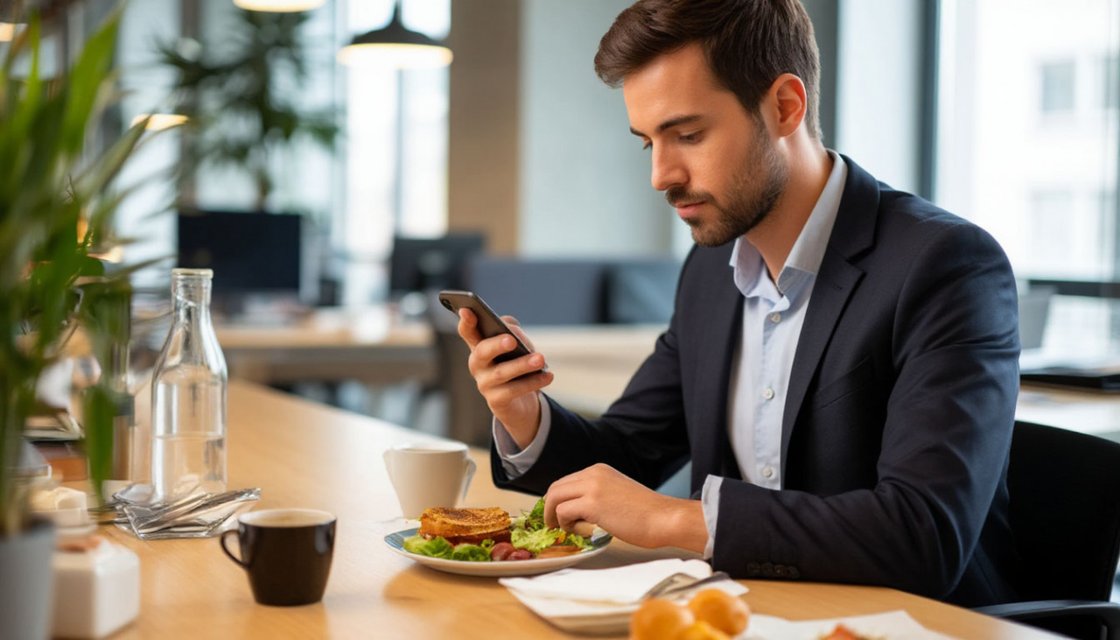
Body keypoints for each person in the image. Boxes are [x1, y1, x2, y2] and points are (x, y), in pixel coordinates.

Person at [455, 0, 1020, 606]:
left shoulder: (947, 265)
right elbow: (626, 456)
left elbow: (923, 534)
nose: (662, 175)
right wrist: (523, 411)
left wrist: (680, 521)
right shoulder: (709, 270)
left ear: (784, 107)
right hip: (739, 612)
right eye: (649, 143)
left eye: (689, 135)